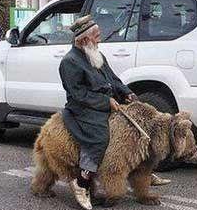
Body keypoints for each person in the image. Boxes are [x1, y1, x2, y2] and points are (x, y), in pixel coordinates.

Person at [59, 15, 170, 210]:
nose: (100, 39)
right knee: (100, 137)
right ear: (84, 40)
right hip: (84, 109)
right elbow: (78, 94)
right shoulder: (69, 62)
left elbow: (113, 79)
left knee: (138, 128)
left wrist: (127, 93)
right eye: (97, 36)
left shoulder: (95, 54)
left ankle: (142, 170)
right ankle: (82, 182)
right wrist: (106, 101)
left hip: (108, 102)